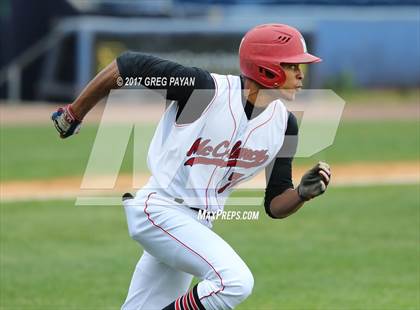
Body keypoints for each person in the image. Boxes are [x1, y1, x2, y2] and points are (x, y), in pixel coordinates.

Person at [52, 24, 331, 310]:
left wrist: (301, 194)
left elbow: (275, 203)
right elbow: (128, 65)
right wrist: (74, 113)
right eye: (293, 65)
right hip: (159, 209)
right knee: (233, 281)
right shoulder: (205, 90)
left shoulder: (285, 125)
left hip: (196, 225)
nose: (301, 74)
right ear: (267, 68)